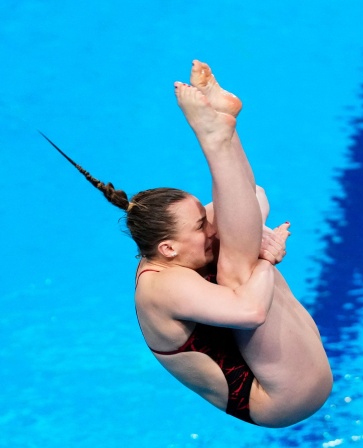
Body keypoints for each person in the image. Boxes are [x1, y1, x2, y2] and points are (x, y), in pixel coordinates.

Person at [43, 60, 332, 428]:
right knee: (237, 271)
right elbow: (250, 312)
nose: (209, 230)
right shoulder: (162, 287)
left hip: (299, 367)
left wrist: (251, 231)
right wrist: (266, 259)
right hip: (279, 398)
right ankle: (214, 139)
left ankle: (224, 129)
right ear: (168, 249)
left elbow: (253, 196)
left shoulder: (180, 247)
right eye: (200, 226)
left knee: (237, 236)